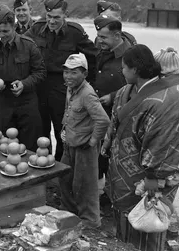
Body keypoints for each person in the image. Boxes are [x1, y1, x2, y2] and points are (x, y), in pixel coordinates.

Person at [102, 44, 179, 251]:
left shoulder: (171, 98)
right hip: (124, 174)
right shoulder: (128, 90)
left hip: (151, 178)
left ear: (135, 70)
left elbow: (165, 146)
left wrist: (153, 184)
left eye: (124, 68)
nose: (122, 72)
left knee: (149, 225)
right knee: (127, 228)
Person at [25, 0, 98, 161]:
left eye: (56, 17)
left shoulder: (75, 32)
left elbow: (93, 58)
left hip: (63, 89)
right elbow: (22, 45)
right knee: (41, 130)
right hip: (40, 87)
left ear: (65, 14)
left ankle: (60, 165)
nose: (51, 21)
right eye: (49, 17)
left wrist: (88, 84)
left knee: (62, 130)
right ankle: (43, 163)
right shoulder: (36, 29)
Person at [0, 5, 46, 151]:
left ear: (14, 26)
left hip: (26, 102)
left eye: (6, 31)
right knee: (4, 146)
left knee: (30, 146)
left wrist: (24, 84)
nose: (1, 34)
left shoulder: (29, 46)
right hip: (1, 103)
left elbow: (40, 72)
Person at [59, 53, 110, 229]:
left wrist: (92, 141)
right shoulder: (70, 88)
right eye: (66, 72)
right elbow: (69, 110)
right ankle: (70, 214)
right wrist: (64, 130)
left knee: (85, 186)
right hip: (70, 144)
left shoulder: (88, 94)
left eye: (74, 72)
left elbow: (103, 120)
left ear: (84, 74)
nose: (68, 76)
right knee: (65, 179)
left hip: (84, 147)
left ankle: (91, 221)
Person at [93, 14, 132, 198]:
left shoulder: (131, 56)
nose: (98, 40)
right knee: (101, 153)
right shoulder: (102, 50)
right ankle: (104, 193)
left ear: (117, 36)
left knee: (116, 156)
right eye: (98, 36)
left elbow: (139, 85)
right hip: (100, 113)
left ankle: (115, 195)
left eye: (103, 37)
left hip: (121, 114)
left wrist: (113, 96)